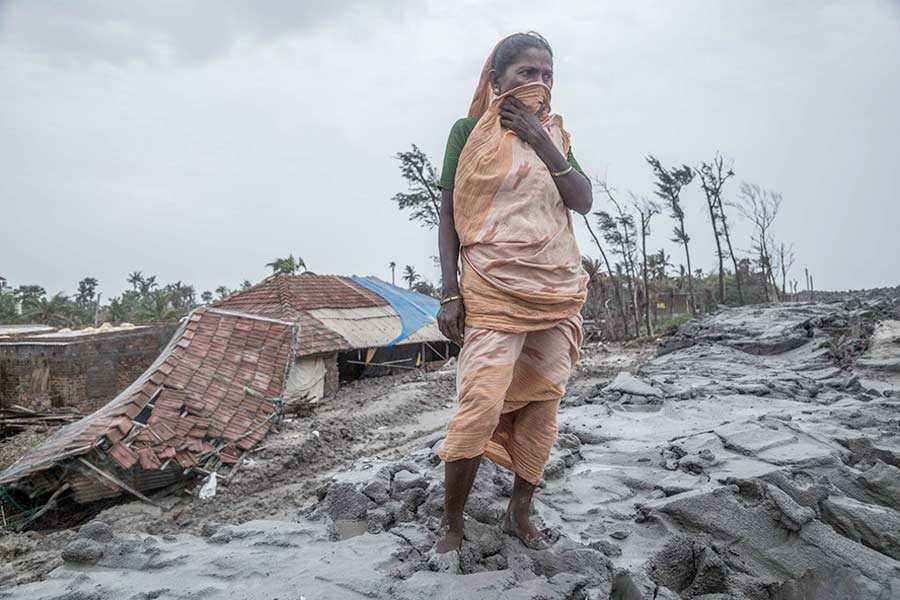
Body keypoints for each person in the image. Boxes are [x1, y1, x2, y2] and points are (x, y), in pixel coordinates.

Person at [434, 31, 592, 556]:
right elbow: (449, 215)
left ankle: (519, 512)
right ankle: (452, 523)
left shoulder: (558, 137)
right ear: (496, 79)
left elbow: (583, 200)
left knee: (542, 405)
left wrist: (542, 141)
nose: (539, 83)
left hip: (556, 289)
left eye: (547, 74)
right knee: (479, 403)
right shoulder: (467, 132)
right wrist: (449, 292)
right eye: (526, 72)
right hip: (492, 291)